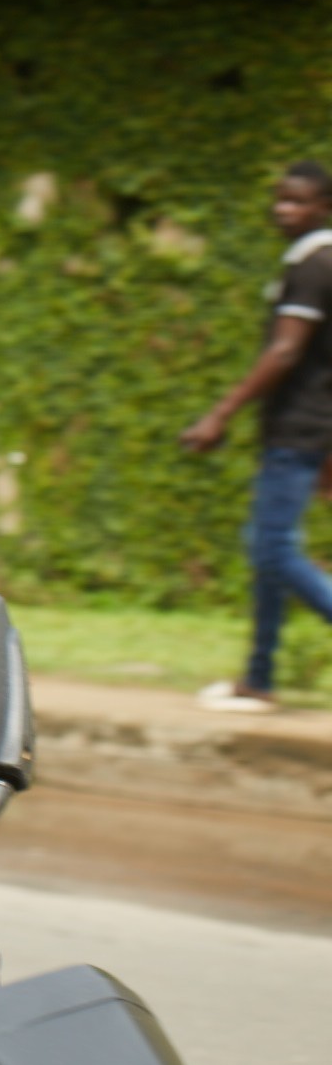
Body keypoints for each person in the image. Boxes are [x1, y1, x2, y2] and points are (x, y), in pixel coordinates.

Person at [181, 160, 332, 713]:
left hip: (298, 428)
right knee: (270, 555)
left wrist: (220, 414)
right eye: (279, 199)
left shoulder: (314, 266)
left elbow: (286, 351)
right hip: (307, 429)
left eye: (297, 201)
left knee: (271, 549)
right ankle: (258, 678)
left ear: (324, 207)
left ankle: (259, 675)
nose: (282, 210)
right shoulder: (315, 262)